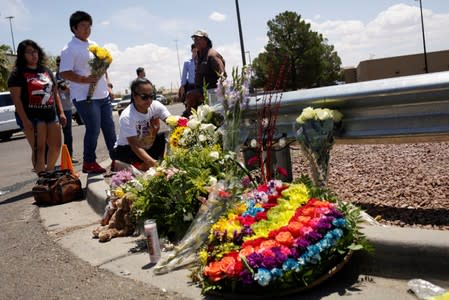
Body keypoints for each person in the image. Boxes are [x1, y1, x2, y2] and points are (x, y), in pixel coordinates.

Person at [59, 11, 116, 174]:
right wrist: (84, 80)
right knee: (93, 129)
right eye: (83, 26)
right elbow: (64, 72)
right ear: (74, 28)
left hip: (102, 95)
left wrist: (108, 86)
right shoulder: (69, 49)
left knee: (110, 128)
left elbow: (102, 67)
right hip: (85, 97)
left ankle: (116, 159)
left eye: (89, 25)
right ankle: (89, 162)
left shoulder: (93, 44)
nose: (87, 29)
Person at [8, 40, 67, 174]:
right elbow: (16, 99)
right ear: (22, 55)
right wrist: (25, 120)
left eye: (35, 51)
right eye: (29, 52)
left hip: (51, 115)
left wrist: (61, 112)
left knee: (56, 146)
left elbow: (55, 93)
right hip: (32, 117)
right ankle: (42, 178)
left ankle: (50, 172)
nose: (33, 55)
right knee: (39, 149)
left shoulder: (46, 71)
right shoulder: (17, 73)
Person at [112, 78, 171, 172]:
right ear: (134, 96)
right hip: (128, 149)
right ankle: (137, 167)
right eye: (144, 97)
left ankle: (150, 165)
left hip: (147, 145)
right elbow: (135, 146)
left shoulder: (156, 106)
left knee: (168, 135)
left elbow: (172, 122)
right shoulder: (127, 116)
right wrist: (154, 164)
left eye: (152, 96)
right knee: (147, 169)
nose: (149, 100)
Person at [184, 29, 226, 117]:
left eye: (198, 39)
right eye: (194, 39)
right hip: (202, 95)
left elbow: (222, 76)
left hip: (212, 94)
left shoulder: (212, 55)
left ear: (206, 40)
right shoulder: (200, 56)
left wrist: (218, 96)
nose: (196, 42)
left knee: (191, 95)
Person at [55, 56, 78, 164]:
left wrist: (66, 87)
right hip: (55, 108)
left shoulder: (69, 75)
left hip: (67, 108)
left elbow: (71, 88)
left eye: (61, 62)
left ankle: (69, 156)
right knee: (52, 134)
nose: (59, 65)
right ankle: (48, 159)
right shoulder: (54, 75)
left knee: (68, 134)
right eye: (58, 63)